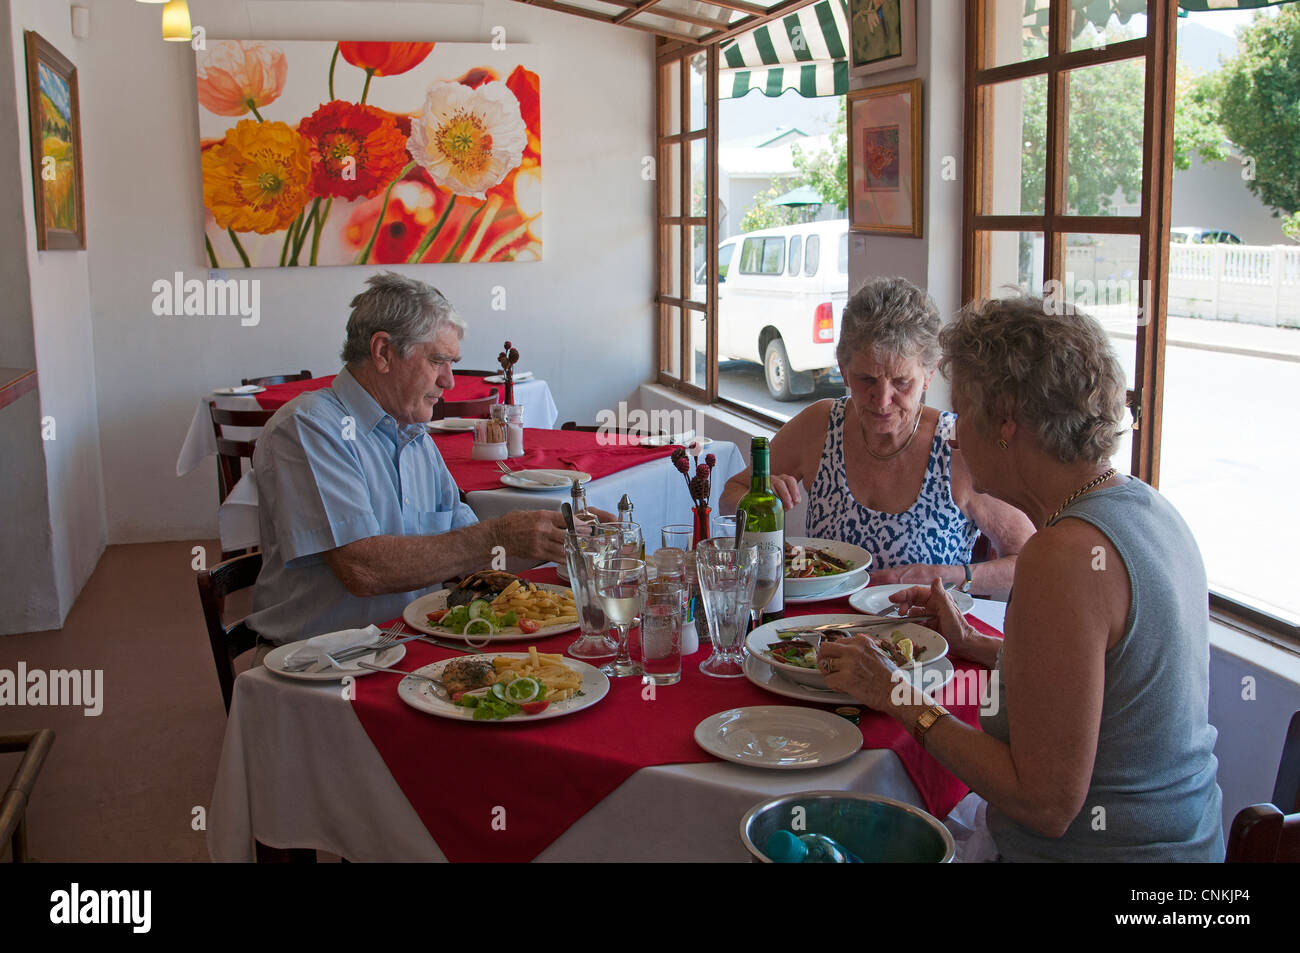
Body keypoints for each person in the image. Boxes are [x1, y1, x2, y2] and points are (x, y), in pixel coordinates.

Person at [818, 295, 1224, 862]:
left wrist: (897, 695)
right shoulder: (1144, 508)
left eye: (962, 415)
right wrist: (975, 645)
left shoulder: (1062, 559)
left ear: (1005, 421)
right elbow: (1097, 686)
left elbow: (1045, 805)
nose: (953, 438)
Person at [246, 272, 567, 647]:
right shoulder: (308, 428)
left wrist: (557, 539)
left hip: (408, 646)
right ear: (383, 352)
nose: (449, 380)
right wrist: (500, 534)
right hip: (321, 662)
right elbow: (363, 569)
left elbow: (474, 558)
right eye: (438, 361)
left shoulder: (414, 436)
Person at [720, 277, 1034, 597]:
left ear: (928, 375)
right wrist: (755, 500)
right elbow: (731, 493)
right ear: (843, 371)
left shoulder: (959, 446)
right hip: (823, 632)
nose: (882, 400)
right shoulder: (819, 426)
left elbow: (1028, 558)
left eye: (901, 382)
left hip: (923, 637)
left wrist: (950, 574)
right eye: (866, 379)